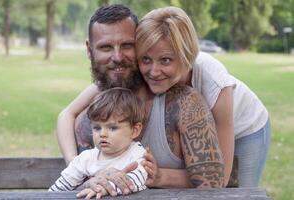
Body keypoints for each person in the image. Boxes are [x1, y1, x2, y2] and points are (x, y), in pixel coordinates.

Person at [57, 4, 224, 194]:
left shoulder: (185, 104)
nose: (117, 57)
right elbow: (76, 183)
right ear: (89, 50)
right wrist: (87, 180)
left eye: (127, 45)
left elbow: (213, 185)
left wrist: (159, 176)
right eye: (105, 47)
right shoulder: (91, 119)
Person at [135, 6, 271, 187]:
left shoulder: (214, 81)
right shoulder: (148, 73)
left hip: (246, 128)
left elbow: (219, 179)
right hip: (205, 129)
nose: (153, 71)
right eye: (145, 59)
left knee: (240, 191)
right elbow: (98, 88)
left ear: (186, 55)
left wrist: (161, 176)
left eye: (165, 60)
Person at [50, 88, 147, 199]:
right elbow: (60, 187)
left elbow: (135, 180)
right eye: (97, 128)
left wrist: (105, 188)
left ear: (135, 130)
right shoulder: (86, 158)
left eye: (112, 128)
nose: (102, 134)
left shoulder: (137, 154)